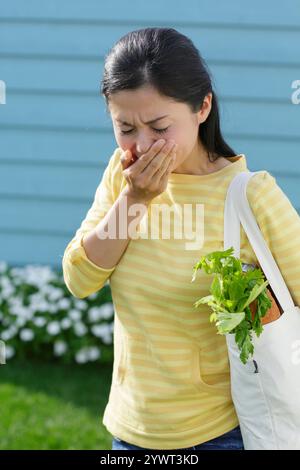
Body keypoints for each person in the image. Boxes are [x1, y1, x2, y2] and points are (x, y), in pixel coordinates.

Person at [62, 27, 300, 451]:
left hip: (223, 434)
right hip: (130, 430)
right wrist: (135, 199)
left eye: (158, 127)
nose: (142, 145)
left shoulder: (251, 196)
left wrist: (261, 303)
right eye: (125, 128)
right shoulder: (123, 176)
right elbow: (80, 280)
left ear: (202, 106)